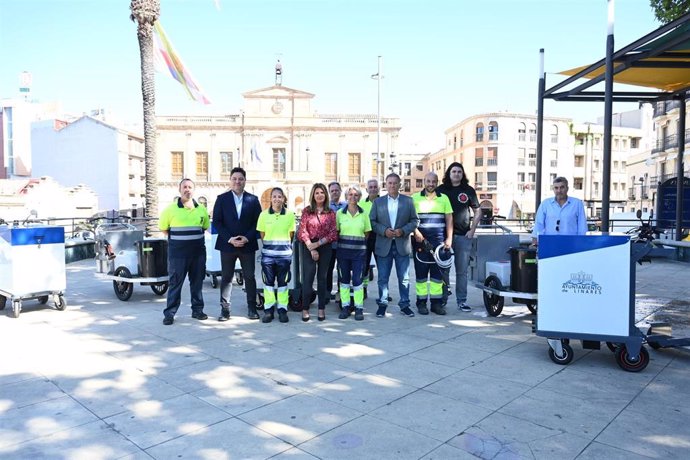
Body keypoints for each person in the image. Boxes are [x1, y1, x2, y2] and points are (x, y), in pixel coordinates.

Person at [212, 167, 263, 321]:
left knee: (249, 276)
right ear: (230, 180)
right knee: (227, 278)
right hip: (227, 245)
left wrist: (247, 237)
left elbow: (258, 222)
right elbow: (218, 222)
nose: (237, 181)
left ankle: (252, 308)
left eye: (240, 179)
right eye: (234, 178)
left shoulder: (253, 200)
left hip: (247, 245)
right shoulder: (221, 199)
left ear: (245, 181)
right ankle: (225, 310)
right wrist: (230, 239)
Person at [159, 178, 211, 325]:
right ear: (180, 190)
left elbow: (205, 226)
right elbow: (164, 229)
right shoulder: (170, 209)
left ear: (194, 190)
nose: (187, 189)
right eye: (185, 187)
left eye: (190, 187)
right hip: (178, 255)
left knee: (197, 283)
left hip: (197, 254)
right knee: (175, 284)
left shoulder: (201, 209)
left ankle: (198, 310)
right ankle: (169, 313)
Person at [369, 173, 420, 318]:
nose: (392, 185)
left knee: (404, 278)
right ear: (386, 185)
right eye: (389, 183)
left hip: (401, 245)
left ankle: (405, 305)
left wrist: (402, 231)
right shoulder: (378, 203)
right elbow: (372, 222)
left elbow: (415, 221)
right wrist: (384, 231)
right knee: (382, 278)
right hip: (383, 245)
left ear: (400, 185)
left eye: (395, 183)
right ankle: (382, 304)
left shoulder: (408, 201)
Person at [437, 162, 481, 312]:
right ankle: (442, 299)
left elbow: (478, 211)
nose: (456, 174)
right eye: (454, 171)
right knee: (443, 270)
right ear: (449, 174)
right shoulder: (441, 190)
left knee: (462, 271)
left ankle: (461, 301)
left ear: (463, 174)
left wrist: (472, 230)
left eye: (459, 172)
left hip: (463, 236)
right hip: (444, 237)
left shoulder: (468, 190)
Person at [411, 172, 453, 316]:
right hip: (420, 241)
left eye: (433, 181)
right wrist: (416, 232)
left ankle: (436, 304)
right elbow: (410, 219)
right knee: (421, 275)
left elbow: (449, 219)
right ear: (424, 181)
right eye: (428, 181)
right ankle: (421, 303)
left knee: (437, 276)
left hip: (439, 242)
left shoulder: (444, 198)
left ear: (437, 182)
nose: (431, 184)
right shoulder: (414, 198)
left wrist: (449, 239)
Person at [297, 183, 338, 321]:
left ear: (325, 195)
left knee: (322, 278)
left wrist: (318, 244)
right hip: (308, 245)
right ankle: (305, 308)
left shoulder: (331, 212)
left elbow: (333, 233)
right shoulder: (307, 211)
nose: (319, 195)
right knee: (308, 278)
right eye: (317, 193)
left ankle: (321, 308)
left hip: (325, 246)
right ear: (313, 196)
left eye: (322, 192)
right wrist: (311, 247)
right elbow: (302, 231)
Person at [257, 187, 296, 323]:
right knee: (268, 283)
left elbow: (291, 235)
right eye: (274, 196)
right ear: (271, 199)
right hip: (268, 256)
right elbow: (262, 234)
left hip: (284, 256)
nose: (277, 199)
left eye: (280, 196)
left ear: (284, 199)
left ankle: (282, 309)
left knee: (282, 283)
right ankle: (268, 310)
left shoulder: (290, 215)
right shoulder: (263, 215)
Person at [336, 185, 372, 321]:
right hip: (343, 254)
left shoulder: (364, 214)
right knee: (344, 281)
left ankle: (358, 308)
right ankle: (345, 307)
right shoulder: (339, 213)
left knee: (358, 282)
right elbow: (337, 232)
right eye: (350, 195)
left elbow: (367, 232)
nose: (353, 197)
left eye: (356, 195)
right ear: (346, 197)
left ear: (359, 197)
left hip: (359, 255)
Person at [532, 176, 587, 243]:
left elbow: (582, 226)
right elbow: (539, 224)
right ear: (553, 189)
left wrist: (581, 243)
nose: (559, 191)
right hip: (550, 243)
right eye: (556, 188)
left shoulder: (577, 203)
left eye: (562, 187)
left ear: (567, 188)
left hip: (571, 243)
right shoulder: (545, 204)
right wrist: (535, 241)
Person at [359, 179, 380, 299]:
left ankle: (384, 292)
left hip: (380, 237)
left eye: (375, 187)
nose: (373, 189)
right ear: (367, 189)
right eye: (370, 187)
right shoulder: (361, 204)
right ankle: (364, 289)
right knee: (364, 266)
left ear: (378, 188)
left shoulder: (384, 202)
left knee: (382, 267)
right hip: (366, 238)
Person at [326, 181, 346, 302]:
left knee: (342, 269)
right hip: (329, 245)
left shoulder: (347, 206)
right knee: (328, 269)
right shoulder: (326, 207)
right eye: (332, 190)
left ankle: (341, 293)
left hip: (343, 244)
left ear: (340, 191)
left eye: (336, 190)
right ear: (329, 192)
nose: (334, 192)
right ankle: (327, 293)